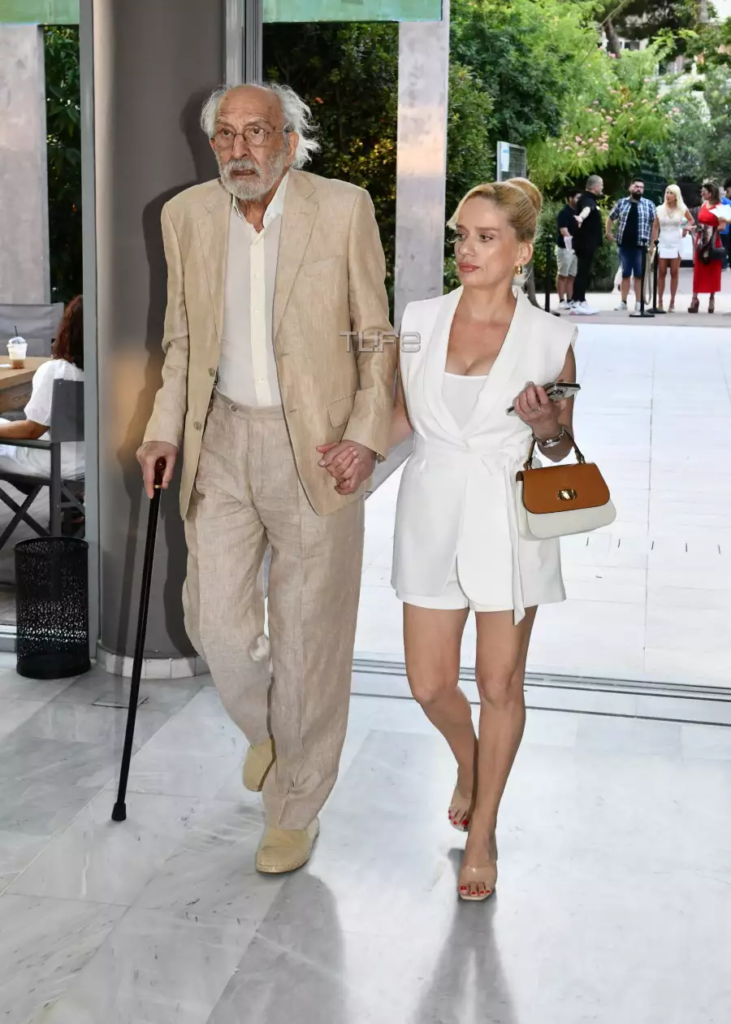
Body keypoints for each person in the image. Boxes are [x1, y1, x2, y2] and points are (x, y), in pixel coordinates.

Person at [137, 83, 395, 875]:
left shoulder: (342, 208)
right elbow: (182, 341)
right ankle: (272, 736)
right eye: (226, 134)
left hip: (316, 447)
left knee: (311, 640)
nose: (239, 148)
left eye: (257, 132)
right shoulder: (184, 217)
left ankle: (294, 809)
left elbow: (375, 335)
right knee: (212, 622)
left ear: (288, 139)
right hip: (220, 439)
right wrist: (162, 429)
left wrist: (365, 437)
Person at [336, 179, 577, 901]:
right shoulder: (420, 319)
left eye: (484, 237)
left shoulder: (551, 339)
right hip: (431, 513)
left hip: (509, 520)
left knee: (499, 685)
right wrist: (360, 449)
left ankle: (483, 834)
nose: (466, 250)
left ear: (521, 251)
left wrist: (545, 426)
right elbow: (404, 414)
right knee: (430, 684)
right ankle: (471, 766)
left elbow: (561, 447)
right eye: (460, 236)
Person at [0, 294, 84, 479]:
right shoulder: (107, 373)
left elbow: (31, 430)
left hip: (55, 461)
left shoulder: (57, 371)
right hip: (90, 460)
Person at [606, 178, 656, 313]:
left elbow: (655, 225)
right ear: (631, 188)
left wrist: (652, 243)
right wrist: (608, 232)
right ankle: (623, 302)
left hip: (641, 245)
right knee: (625, 273)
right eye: (636, 186)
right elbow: (611, 217)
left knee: (639, 275)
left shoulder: (649, 204)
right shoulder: (622, 203)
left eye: (641, 187)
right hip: (624, 244)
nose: (639, 189)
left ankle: (639, 303)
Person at [688, 180, 731, 313]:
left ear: (711, 193)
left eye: (704, 192)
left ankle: (711, 299)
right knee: (698, 270)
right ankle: (694, 299)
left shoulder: (721, 207)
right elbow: (699, 222)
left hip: (713, 241)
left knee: (713, 270)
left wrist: (706, 228)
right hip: (700, 241)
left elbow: (722, 227)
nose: (702, 194)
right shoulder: (703, 205)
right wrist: (695, 228)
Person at [649, 185, 694, 312]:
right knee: (661, 272)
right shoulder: (659, 209)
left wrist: (685, 228)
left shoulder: (682, 208)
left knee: (674, 272)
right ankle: (660, 302)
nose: (668, 195)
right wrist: (652, 244)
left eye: (671, 193)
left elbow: (691, 220)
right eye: (667, 192)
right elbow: (655, 227)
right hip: (663, 241)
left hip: (676, 241)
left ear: (676, 196)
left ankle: (672, 302)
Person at [571, 174, 604, 315]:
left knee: (585, 272)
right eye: (601, 185)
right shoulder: (587, 199)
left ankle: (581, 300)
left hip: (588, 242)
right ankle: (576, 302)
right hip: (585, 242)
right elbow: (587, 209)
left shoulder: (589, 198)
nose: (602, 188)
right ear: (595, 187)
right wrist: (581, 217)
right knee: (582, 272)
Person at [555, 189, 581, 309]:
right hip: (564, 248)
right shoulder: (564, 213)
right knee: (563, 275)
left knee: (572, 276)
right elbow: (563, 230)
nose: (579, 200)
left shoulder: (578, 213)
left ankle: (570, 299)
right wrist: (572, 242)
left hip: (576, 248)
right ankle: (561, 300)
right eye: (577, 198)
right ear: (570, 198)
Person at [720, 178, 731, 269]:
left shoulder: (720, 201)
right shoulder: (727, 202)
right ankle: (724, 263)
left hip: (721, 228)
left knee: (722, 246)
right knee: (725, 246)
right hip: (726, 228)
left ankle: (722, 263)